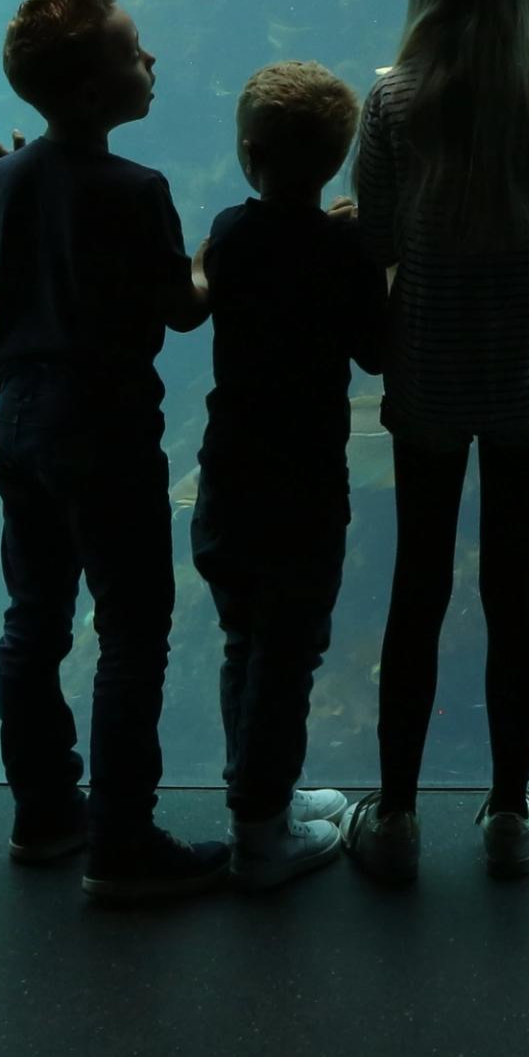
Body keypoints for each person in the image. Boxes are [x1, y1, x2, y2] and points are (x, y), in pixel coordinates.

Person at [342, 0, 529, 884]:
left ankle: (400, 815)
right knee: (512, 583)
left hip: (425, 372)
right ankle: (506, 812)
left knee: (417, 583)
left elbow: (370, 241)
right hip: (522, 379)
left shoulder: (392, 101)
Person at [0, 0, 229, 904]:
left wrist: (10, 183)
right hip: (105, 433)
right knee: (132, 630)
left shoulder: (7, 177)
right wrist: (220, 257)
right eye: (132, 50)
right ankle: (124, 841)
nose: (151, 61)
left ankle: (44, 815)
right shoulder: (137, 189)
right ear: (87, 94)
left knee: (34, 621)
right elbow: (183, 312)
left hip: (19, 424)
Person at [190, 60, 389, 890]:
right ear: (338, 162)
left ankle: (257, 800)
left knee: (246, 642)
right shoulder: (341, 247)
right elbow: (376, 352)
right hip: (304, 485)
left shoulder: (230, 234)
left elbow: (216, 282)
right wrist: (376, 255)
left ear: (248, 151)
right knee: (289, 651)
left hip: (228, 476)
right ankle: (262, 833)